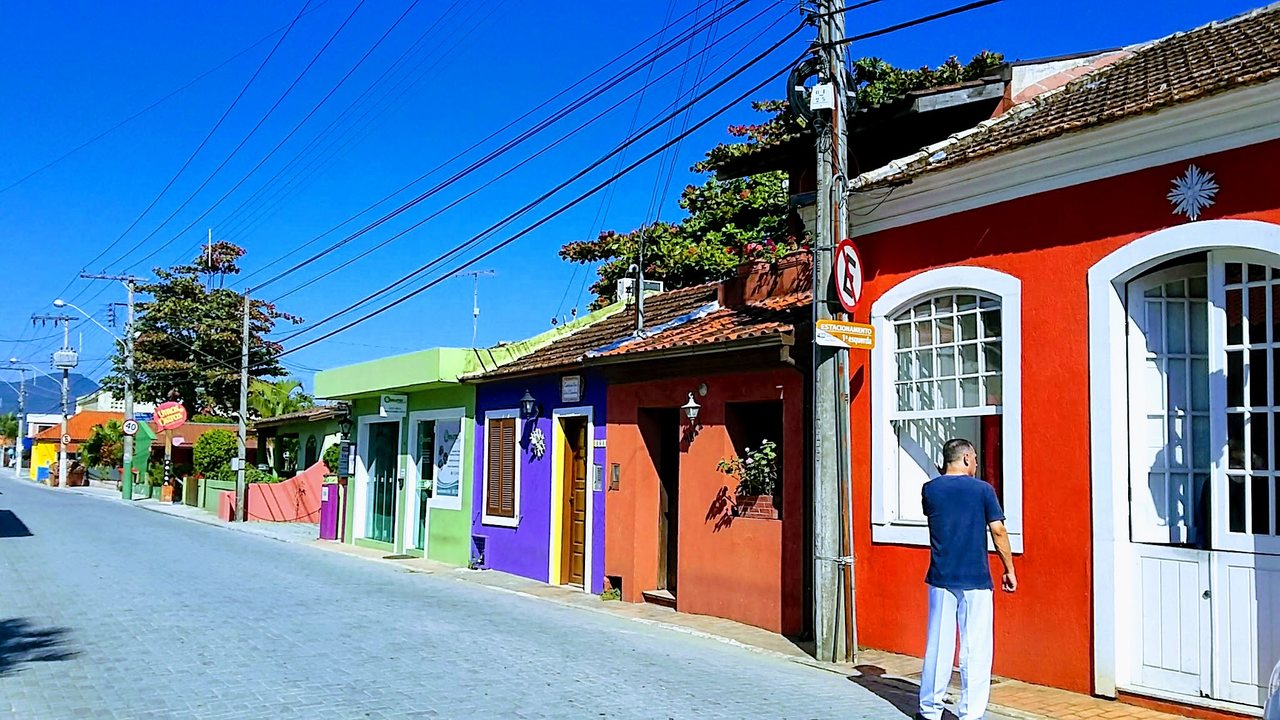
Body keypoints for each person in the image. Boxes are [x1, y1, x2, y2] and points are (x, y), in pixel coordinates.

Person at [916, 438, 1016, 720]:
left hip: (941, 576)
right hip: (975, 577)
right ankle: (970, 713)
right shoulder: (983, 490)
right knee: (976, 648)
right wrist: (1009, 568)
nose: (976, 463)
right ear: (967, 458)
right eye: (974, 458)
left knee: (938, 643)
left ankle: (929, 710)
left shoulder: (930, 489)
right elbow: (997, 531)